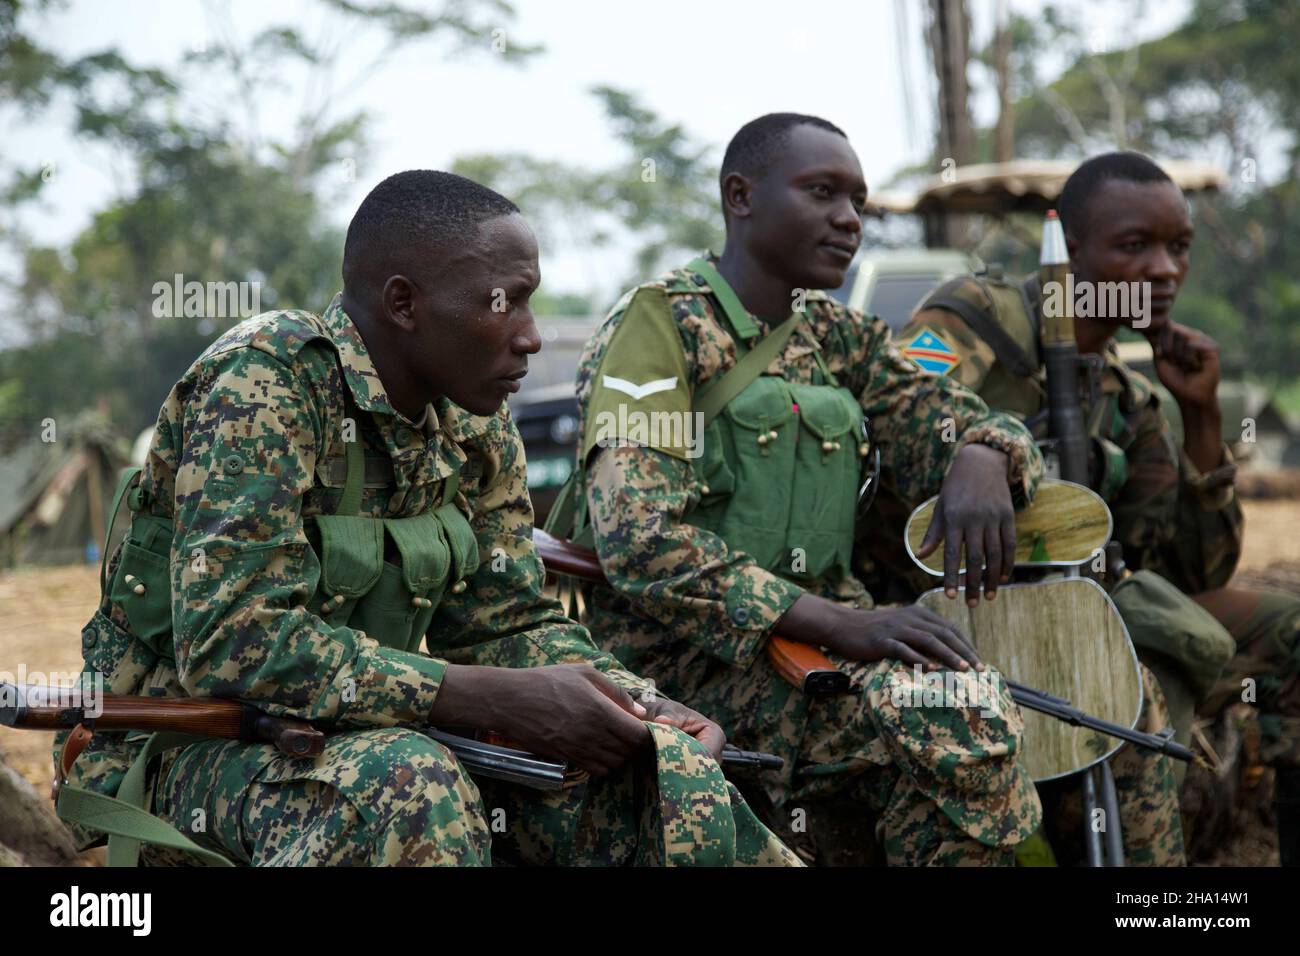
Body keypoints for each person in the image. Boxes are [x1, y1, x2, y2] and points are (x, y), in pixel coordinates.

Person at [54, 170, 799, 867]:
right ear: (404, 303)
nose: (531, 335)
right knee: (411, 787)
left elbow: (506, 621)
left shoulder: (472, 420)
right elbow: (239, 645)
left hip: (373, 733)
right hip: (183, 748)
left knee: (656, 779)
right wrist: (486, 696)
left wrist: (638, 705)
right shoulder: (267, 381)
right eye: (504, 302)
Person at [557, 113, 1046, 866]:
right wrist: (839, 622)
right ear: (740, 196)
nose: (849, 219)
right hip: (688, 659)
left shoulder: (837, 335)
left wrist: (984, 451)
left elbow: (945, 414)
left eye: (858, 201)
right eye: (822, 193)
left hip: (824, 649)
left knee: (960, 718)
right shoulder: (661, 324)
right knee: (947, 713)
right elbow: (639, 541)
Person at [896, 150, 1300, 865]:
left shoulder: (1125, 398)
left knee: (1289, 627)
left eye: (1178, 248)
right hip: (957, 610)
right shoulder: (980, 319)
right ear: (1070, 247)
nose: (1164, 271)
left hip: (1087, 610)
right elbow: (894, 407)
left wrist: (1201, 419)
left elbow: (1194, 570)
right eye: (1133, 246)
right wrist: (982, 448)